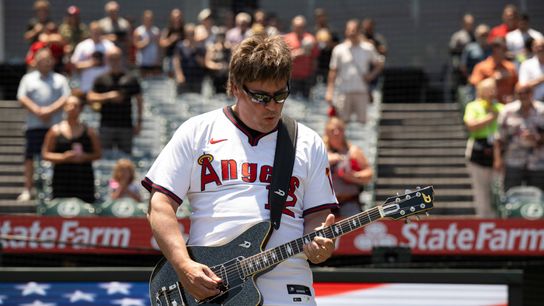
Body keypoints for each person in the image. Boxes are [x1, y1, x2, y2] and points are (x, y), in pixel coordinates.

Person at [143, 34, 338, 305]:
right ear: (234, 86)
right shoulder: (198, 131)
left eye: (280, 95)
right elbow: (160, 205)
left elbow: (319, 217)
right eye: (260, 97)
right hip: (215, 287)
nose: (272, 106)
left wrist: (322, 247)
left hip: (289, 285)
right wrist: (183, 265)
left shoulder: (307, 142)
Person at [16, 48, 70, 202]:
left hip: (56, 127)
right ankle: (28, 188)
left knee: (57, 157)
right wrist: (38, 111)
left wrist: (49, 111)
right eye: (42, 59)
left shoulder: (60, 79)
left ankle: (56, 190)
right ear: (35, 61)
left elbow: (66, 97)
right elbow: (22, 97)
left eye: (48, 59)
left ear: (52, 61)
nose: (45, 62)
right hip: (34, 126)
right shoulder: (28, 78)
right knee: (30, 157)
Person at [42, 95, 101, 204]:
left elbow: (98, 154)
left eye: (76, 105)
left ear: (81, 109)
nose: (72, 108)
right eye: (69, 105)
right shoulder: (55, 131)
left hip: (83, 178)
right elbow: (45, 154)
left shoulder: (89, 131)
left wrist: (84, 157)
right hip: (62, 178)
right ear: (64, 107)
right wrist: (64, 157)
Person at [325, 19, 384, 124]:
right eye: (350, 30)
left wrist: (371, 75)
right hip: (344, 91)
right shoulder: (339, 49)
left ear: (359, 31)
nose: (352, 33)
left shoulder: (368, 48)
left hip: (361, 91)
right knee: (342, 122)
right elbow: (333, 71)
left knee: (363, 122)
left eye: (354, 30)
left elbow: (379, 64)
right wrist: (330, 91)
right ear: (346, 32)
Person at [87, 47, 143, 155]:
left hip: (126, 125)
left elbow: (139, 100)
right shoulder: (101, 78)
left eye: (117, 58)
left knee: (126, 157)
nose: (114, 62)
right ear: (107, 60)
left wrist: (139, 122)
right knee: (104, 158)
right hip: (106, 125)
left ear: (121, 59)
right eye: (111, 59)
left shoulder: (130, 78)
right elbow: (91, 97)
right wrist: (108, 96)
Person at [464, 78, 503, 218]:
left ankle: (499, 220)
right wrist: (490, 117)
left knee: (499, 191)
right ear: (481, 91)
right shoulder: (473, 106)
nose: (492, 92)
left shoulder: (501, 107)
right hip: (478, 151)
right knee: (481, 191)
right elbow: (471, 125)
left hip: (499, 152)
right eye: (489, 89)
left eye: (494, 89)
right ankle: (483, 220)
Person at [494, 83, 544, 192]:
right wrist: (497, 159)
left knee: (538, 198)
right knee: (511, 196)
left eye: (526, 93)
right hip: (513, 160)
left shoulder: (542, 111)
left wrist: (536, 138)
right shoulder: (507, 111)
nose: (523, 96)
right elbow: (499, 138)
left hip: (538, 162)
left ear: (532, 93)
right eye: (519, 93)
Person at [323, 117, 373, 217]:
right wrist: (328, 160)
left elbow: (369, 174)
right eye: (333, 130)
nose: (336, 133)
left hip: (348, 202)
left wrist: (354, 176)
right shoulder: (321, 151)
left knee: (353, 231)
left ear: (344, 132)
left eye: (339, 129)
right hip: (325, 205)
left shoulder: (353, 151)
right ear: (327, 132)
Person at [70, 21, 115, 95]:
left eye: (98, 31)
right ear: (90, 32)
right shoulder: (82, 46)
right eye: (94, 31)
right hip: (87, 86)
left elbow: (116, 62)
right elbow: (74, 65)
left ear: (101, 32)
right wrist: (91, 63)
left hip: (106, 86)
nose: (96, 34)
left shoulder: (109, 46)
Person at [469, 37, 517, 103]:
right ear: (495, 49)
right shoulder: (481, 67)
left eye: (506, 49)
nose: (506, 52)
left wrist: (513, 97)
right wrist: (494, 79)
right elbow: (476, 86)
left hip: (508, 106)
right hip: (488, 106)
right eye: (504, 49)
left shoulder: (510, 67)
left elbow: (517, 86)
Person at [284, 15, 319, 100]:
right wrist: (298, 53)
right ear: (293, 26)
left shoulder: (310, 39)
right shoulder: (287, 39)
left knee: (306, 101)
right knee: (291, 102)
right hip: (292, 77)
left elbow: (315, 58)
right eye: (297, 27)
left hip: (306, 78)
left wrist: (313, 76)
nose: (300, 29)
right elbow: (283, 57)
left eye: (302, 27)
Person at [173, 24, 206, 94]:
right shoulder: (180, 46)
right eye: (188, 34)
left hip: (197, 80)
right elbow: (176, 61)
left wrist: (195, 50)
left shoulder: (200, 47)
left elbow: (203, 63)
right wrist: (179, 75)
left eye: (192, 34)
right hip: (184, 80)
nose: (190, 36)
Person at [133, 10, 161, 76]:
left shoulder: (156, 31)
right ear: (143, 19)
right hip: (143, 62)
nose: (149, 21)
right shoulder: (139, 31)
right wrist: (145, 42)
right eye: (147, 19)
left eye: (150, 19)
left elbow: (159, 46)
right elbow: (136, 45)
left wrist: (159, 60)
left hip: (154, 61)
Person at [159, 8, 185, 78]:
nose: (177, 19)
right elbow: (162, 43)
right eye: (175, 17)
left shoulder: (184, 29)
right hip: (170, 58)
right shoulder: (168, 30)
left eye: (178, 17)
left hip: (182, 59)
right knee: (169, 79)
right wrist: (171, 40)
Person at [204, 28, 231, 94]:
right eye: (220, 36)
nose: (221, 38)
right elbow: (207, 63)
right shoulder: (213, 49)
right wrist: (217, 66)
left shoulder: (228, 49)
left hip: (226, 79)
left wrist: (227, 66)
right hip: (214, 79)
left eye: (223, 36)